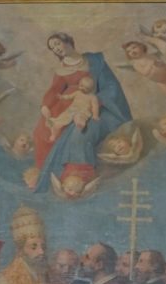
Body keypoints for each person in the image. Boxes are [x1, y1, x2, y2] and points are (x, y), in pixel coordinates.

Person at [25, 32, 134, 195]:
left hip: (95, 104)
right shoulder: (61, 69)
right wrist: (46, 105)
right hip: (68, 104)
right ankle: (45, 173)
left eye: (57, 44)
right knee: (41, 131)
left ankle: (76, 176)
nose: (56, 49)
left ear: (68, 41)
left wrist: (94, 102)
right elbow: (55, 89)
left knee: (79, 132)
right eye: (52, 48)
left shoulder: (94, 61)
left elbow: (111, 86)